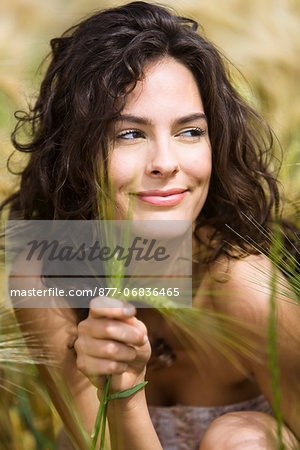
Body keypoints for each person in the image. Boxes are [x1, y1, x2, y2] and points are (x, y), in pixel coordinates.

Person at [2, 1, 300, 449]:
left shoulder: (248, 287)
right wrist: (123, 394)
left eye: (190, 131)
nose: (165, 163)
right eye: (129, 134)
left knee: (240, 439)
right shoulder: (42, 275)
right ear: (76, 155)